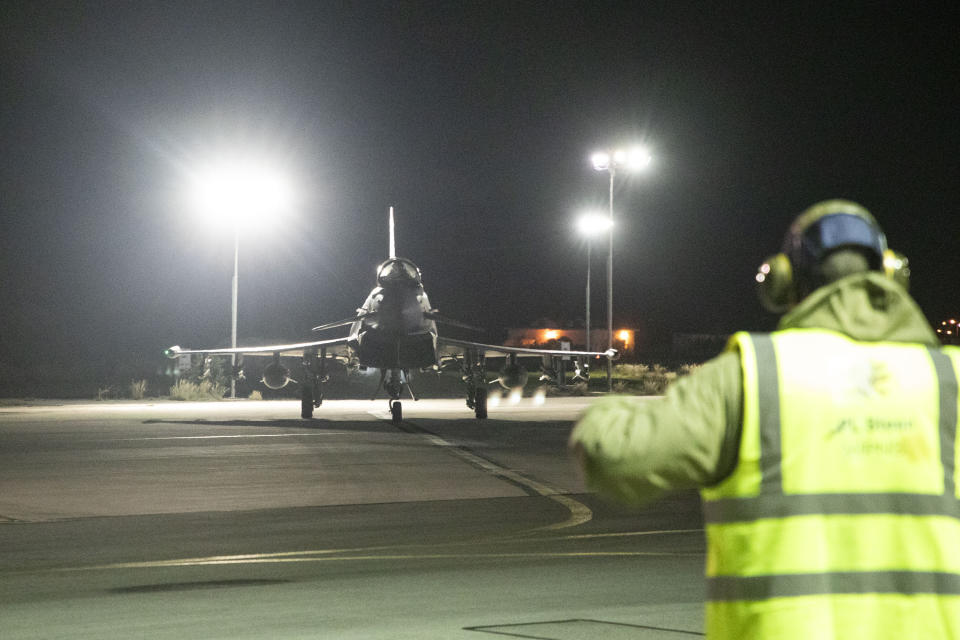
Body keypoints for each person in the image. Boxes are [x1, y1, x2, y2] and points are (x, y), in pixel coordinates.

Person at [569, 199, 960, 639]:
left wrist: (608, 408)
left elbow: (613, 455)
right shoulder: (949, 379)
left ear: (783, 283)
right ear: (891, 275)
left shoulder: (755, 375)